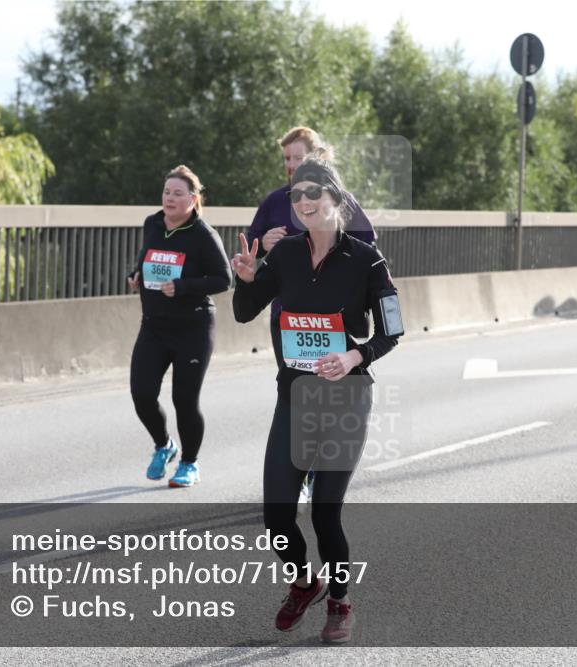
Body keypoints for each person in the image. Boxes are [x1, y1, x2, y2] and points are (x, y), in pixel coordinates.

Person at [232, 156, 403, 644]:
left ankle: (340, 601)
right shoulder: (284, 254)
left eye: (314, 193)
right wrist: (245, 280)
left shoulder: (366, 259)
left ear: (336, 199)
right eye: (297, 195)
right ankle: (305, 582)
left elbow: (393, 329)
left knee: (326, 512)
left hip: (347, 397)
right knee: (277, 514)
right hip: (295, 395)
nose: (304, 201)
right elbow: (246, 313)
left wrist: (355, 356)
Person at [245, 127, 377, 505]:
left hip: (332, 320)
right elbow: (251, 248)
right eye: (286, 159)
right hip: (286, 318)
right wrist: (266, 246)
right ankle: (298, 475)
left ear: (316, 158)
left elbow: (367, 242)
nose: (291, 166)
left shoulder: (340, 200)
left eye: (298, 158)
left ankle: (320, 470)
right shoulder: (276, 201)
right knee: (297, 392)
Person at [127, 166, 232, 487]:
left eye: (177, 193)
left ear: (193, 199)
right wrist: (135, 276)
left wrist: (183, 286)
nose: (169, 198)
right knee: (142, 394)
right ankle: (164, 445)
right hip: (154, 326)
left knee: (184, 399)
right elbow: (148, 258)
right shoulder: (153, 223)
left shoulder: (203, 235)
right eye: (166, 192)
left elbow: (223, 279)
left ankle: (189, 463)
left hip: (193, 328)